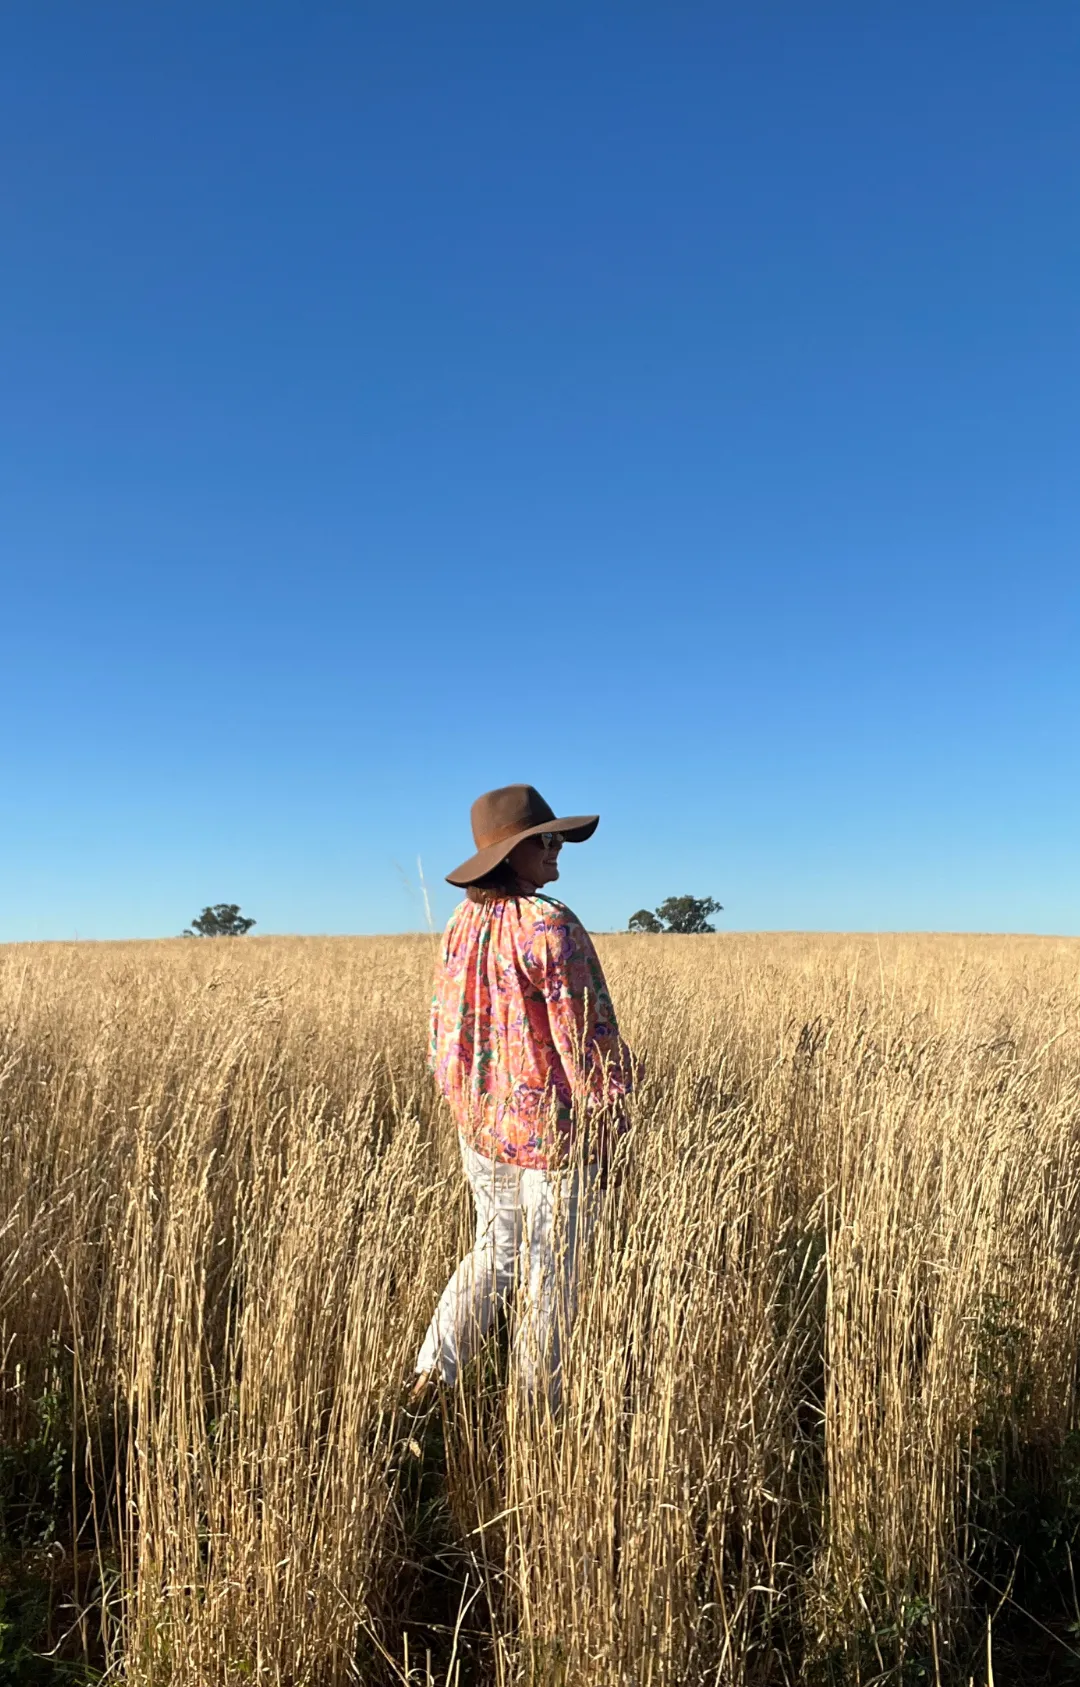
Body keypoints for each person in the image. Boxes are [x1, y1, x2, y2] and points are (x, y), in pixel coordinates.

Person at [412, 783, 632, 1409]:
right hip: (552, 1132)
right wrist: (611, 1121)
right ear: (513, 853)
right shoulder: (549, 925)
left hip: (479, 1121)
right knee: (553, 1270)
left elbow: (444, 1025)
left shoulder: (461, 923)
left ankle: (433, 1374)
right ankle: (539, 1409)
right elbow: (586, 1036)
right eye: (547, 839)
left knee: (497, 1248)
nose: (558, 850)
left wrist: (461, 1099)